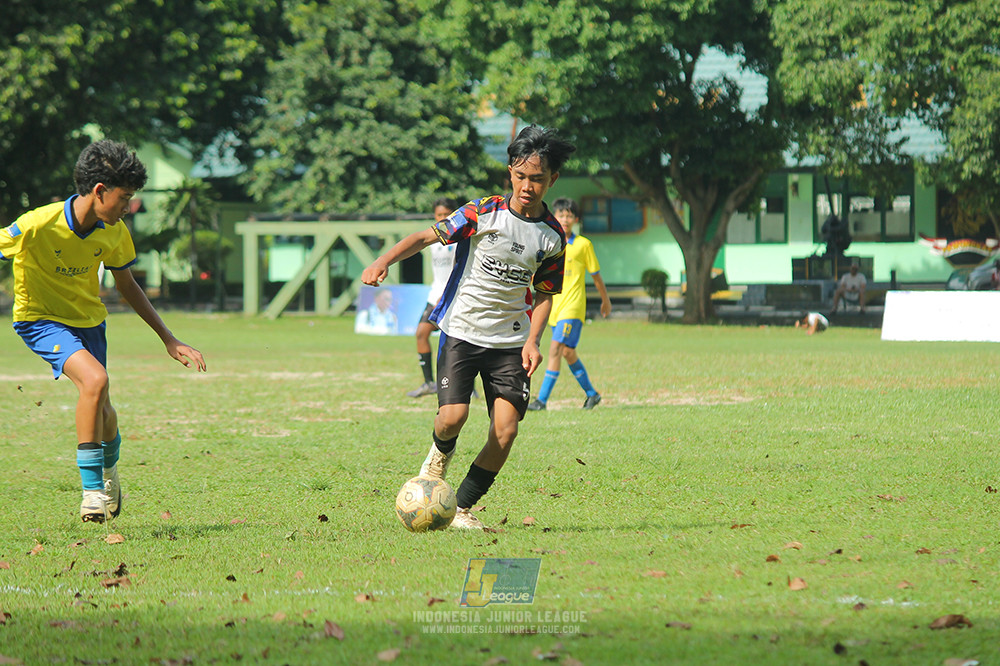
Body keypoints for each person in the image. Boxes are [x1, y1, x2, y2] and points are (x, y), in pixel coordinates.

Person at [361, 124, 574, 529]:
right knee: (452, 418)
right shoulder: (484, 212)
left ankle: (457, 508)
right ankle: (436, 464)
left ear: (553, 180)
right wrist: (382, 261)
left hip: (511, 342)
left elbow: (546, 293)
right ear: (510, 171)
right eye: (521, 176)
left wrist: (533, 339)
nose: (528, 187)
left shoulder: (552, 236)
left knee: (506, 430)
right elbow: (425, 237)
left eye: (538, 180)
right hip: (462, 331)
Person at [1, 140, 207, 523]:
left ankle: (111, 473)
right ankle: (92, 491)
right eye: (125, 197)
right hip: (39, 319)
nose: (128, 206)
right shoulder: (37, 224)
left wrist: (169, 338)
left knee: (103, 406)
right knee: (95, 380)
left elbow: (128, 286)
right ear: (99, 191)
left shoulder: (114, 231)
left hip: (90, 322)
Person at [526, 198, 611, 411]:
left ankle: (541, 401)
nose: (565, 219)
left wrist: (605, 300)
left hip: (572, 308)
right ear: (555, 216)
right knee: (567, 353)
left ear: (576, 219)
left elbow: (596, 276)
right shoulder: (550, 242)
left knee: (555, 349)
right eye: (562, 215)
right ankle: (592, 394)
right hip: (553, 308)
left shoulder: (583, 245)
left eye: (570, 215)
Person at [406, 197, 459, 398]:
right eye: (439, 215)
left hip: (451, 296)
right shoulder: (434, 240)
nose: (443, 218)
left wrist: (446, 295)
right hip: (434, 295)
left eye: (447, 214)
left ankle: (466, 386)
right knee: (421, 334)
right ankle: (429, 383)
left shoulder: (459, 240)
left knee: (457, 340)